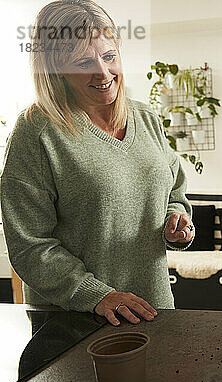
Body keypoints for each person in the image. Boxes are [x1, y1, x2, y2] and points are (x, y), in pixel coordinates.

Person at [0, 0, 194, 327]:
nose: (103, 73)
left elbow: (175, 191)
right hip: (75, 326)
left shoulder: (146, 118)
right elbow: (29, 245)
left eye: (108, 56)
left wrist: (179, 221)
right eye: (83, 62)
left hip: (156, 313)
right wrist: (97, 295)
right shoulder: (37, 131)